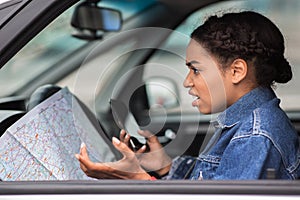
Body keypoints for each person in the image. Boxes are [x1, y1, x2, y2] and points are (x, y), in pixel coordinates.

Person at [75, 11, 300, 180]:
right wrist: (165, 167)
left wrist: (140, 179)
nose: (187, 81)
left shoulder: (253, 137)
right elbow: (212, 180)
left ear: (236, 71)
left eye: (196, 69)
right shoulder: (245, 124)